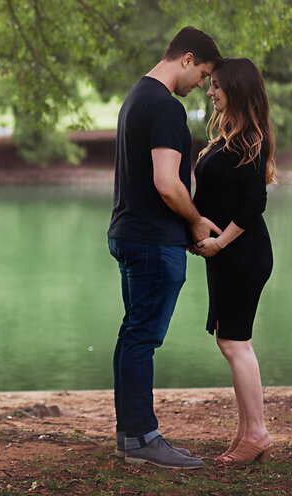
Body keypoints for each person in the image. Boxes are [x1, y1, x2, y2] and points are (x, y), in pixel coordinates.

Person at [108, 26, 222, 470]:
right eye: (204, 75)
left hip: (130, 233)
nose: (202, 87)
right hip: (152, 241)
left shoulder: (136, 96)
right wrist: (194, 223)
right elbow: (166, 182)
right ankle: (141, 438)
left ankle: (130, 435)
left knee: (132, 335)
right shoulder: (164, 107)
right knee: (142, 337)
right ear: (187, 58)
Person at [191, 57, 277, 464]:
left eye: (217, 86)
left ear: (236, 90)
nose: (209, 91)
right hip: (228, 255)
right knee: (231, 341)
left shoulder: (248, 140)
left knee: (235, 342)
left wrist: (220, 243)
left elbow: (253, 204)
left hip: (242, 254)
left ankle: (257, 434)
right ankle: (246, 434)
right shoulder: (231, 137)